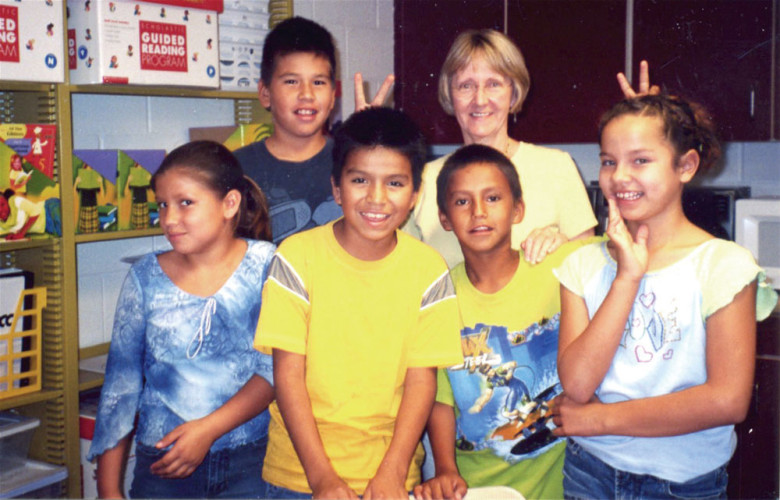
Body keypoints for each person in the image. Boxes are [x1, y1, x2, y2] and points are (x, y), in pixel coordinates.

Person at [552, 94, 778, 498]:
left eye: (640, 160)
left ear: (686, 166)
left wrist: (598, 421)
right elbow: (578, 384)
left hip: (684, 484)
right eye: (609, 161)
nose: (620, 176)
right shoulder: (581, 265)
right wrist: (627, 278)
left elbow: (727, 401)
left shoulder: (724, 266)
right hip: (591, 474)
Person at [254, 107, 463, 499]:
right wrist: (322, 479)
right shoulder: (296, 257)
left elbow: (422, 381)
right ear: (336, 188)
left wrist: (393, 472)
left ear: (416, 194)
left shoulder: (429, 270)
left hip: (391, 477)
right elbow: (287, 376)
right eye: (360, 180)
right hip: (298, 477)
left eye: (396, 183)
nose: (377, 198)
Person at [88, 141, 276, 499]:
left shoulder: (266, 266)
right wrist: (108, 489)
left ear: (230, 204)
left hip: (250, 464)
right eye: (162, 205)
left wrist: (206, 431)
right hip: (163, 466)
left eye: (185, 203)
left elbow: (274, 369)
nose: (169, 219)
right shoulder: (146, 277)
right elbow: (121, 387)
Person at [413, 144, 595, 500]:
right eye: (462, 202)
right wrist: (446, 468)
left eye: (493, 198)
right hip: (481, 489)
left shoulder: (563, 266)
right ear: (445, 218)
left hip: (570, 486)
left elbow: (627, 249)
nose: (478, 212)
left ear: (518, 209)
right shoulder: (439, 298)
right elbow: (440, 398)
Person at [404, 29, 597, 268]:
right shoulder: (423, 179)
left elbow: (591, 266)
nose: (480, 99)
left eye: (493, 84)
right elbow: (399, 266)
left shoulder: (556, 167)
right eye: (466, 86)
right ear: (449, 94)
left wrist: (562, 243)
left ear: (513, 93)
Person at [233, 16, 393, 244]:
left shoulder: (351, 158)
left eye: (318, 82)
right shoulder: (236, 168)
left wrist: (369, 147)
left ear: (332, 96)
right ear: (265, 93)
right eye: (291, 81)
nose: (306, 94)